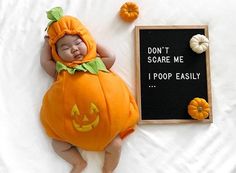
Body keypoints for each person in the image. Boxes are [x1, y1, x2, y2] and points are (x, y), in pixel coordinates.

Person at [40, 7, 139, 173]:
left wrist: (92, 45)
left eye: (78, 42)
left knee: (116, 145)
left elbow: (112, 57)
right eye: (65, 48)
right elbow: (45, 63)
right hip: (71, 131)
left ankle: (108, 169)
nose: (74, 49)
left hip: (108, 131)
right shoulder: (61, 70)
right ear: (56, 54)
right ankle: (78, 163)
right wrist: (46, 45)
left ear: (87, 41)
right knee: (58, 144)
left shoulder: (98, 62)